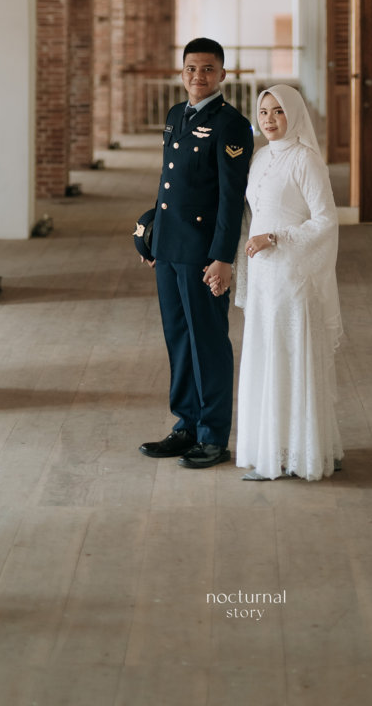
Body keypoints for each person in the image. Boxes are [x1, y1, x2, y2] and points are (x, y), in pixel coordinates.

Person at [138, 37, 253, 469]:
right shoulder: (175, 115)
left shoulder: (232, 124)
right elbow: (169, 183)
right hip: (171, 248)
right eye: (191, 68)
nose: (198, 76)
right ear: (181, 72)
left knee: (207, 342)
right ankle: (186, 425)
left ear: (223, 74)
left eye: (207, 69)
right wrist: (154, 235)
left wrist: (223, 257)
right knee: (179, 339)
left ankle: (212, 436)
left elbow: (231, 198)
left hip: (203, 254)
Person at [231, 84, 343, 482]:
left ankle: (297, 452)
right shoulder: (260, 157)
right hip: (263, 274)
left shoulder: (306, 160)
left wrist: (276, 238)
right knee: (267, 354)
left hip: (292, 274)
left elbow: (326, 219)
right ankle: (277, 446)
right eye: (263, 112)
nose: (269, 119)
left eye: (278, 111)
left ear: (293, 114)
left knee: (289, 356)